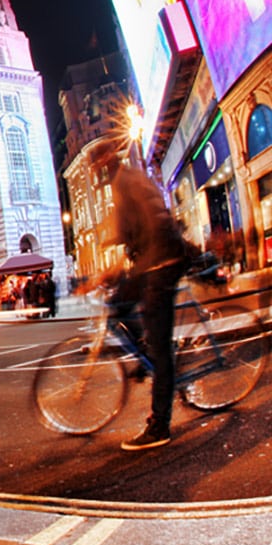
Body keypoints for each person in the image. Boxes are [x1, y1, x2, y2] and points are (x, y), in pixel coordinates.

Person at [97, 148, 192, 451]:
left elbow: (156, 220)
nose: (92, 171)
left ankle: (159, 425)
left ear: (105, 162)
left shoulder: (131, 180)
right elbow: (126, 228)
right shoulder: (121, 183)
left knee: (161, 350)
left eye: (94, 164)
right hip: (150, 262)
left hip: (162, 263)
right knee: (117, 305)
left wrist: (145, 265)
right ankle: (144, 349)